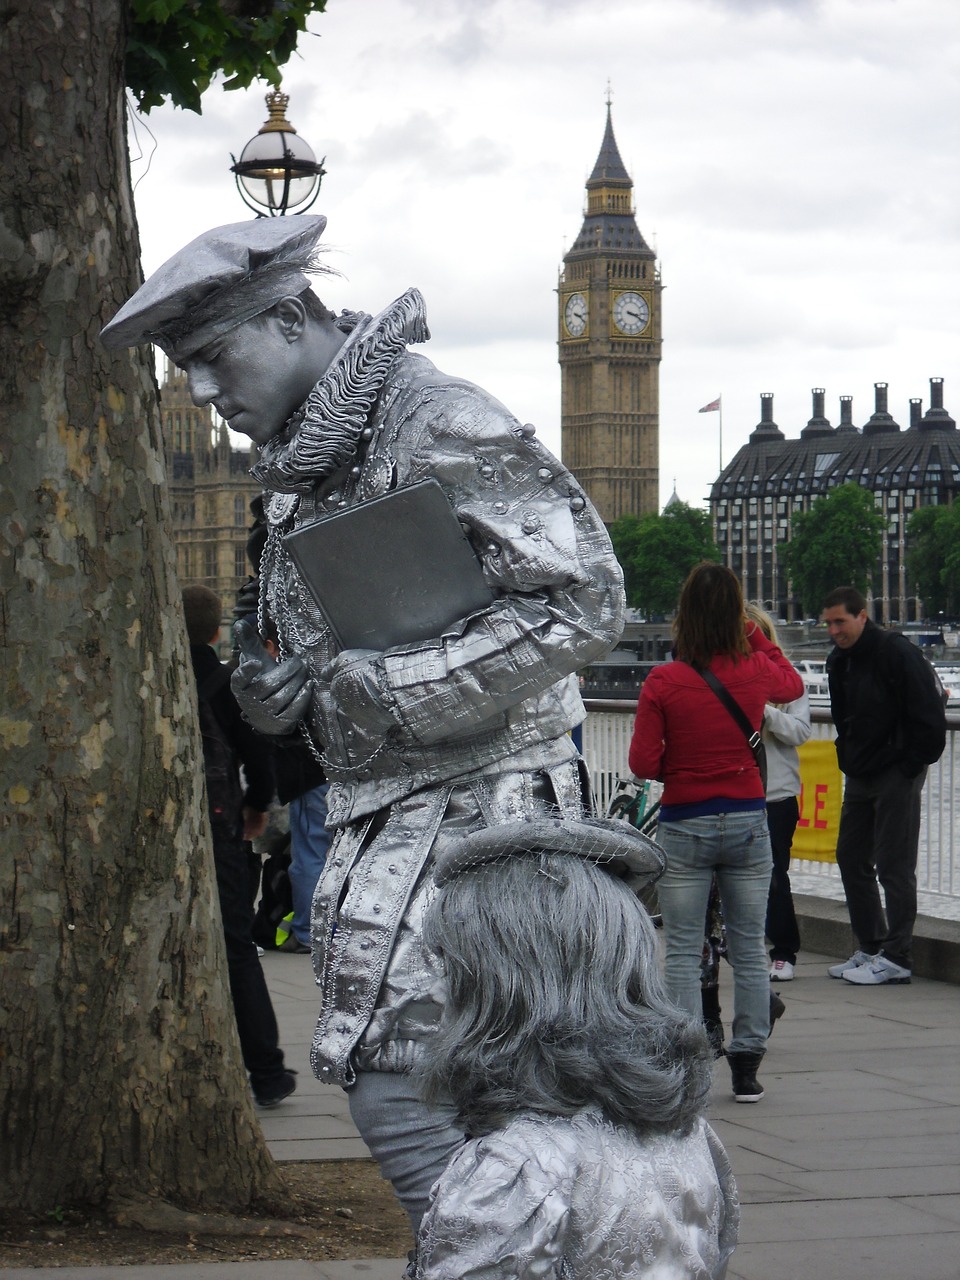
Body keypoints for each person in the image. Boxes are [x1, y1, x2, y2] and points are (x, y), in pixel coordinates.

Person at [102, 216, 624, 1233]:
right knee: (437, 1100)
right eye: (185, 371)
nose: (203, 393)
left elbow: (585, 597)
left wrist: (389, 684)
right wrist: (272, 690)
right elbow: (294, 652)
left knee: (415, 1094)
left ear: (293, 315)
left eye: (212, 357)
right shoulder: (303, 472)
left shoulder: (437, 419)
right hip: (383, 820)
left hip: (488, 825)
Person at [415, 817, 739, 1279]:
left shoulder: (514, 1169)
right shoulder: (687, 1134)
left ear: (509, 986)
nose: (434, 991)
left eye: (450, 966)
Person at [628, 563, 803, 1103]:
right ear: (735, 615)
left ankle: (688, 1064)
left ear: (682, 617)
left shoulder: (663, 681)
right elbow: (793, 683)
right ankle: (747, 1066)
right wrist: (750, 629)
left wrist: (681, 764)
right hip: (749, 820)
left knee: (682, 950)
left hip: (687, 823)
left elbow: (642, 762)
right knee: (750, 948)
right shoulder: (754, 671)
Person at [180, 586, 295, 1108]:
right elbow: (259, 753)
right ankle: (267, 1072)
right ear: (214, 631)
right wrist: (256, 805)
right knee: (233, 943)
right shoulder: (225, 681)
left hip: (162, 823)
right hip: (219, 822)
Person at [821, 587, 946, 985]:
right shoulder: (838, 661)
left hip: (897, 770)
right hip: (861, 771)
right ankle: (871, 946)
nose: (834, 630)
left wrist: (910, 764)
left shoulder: (897, 652)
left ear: (862, 616)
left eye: (840, 621)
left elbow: (929, 712)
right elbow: (844, 718)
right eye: (829, 623)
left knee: (894, 864)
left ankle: (897, 957)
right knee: (850, 856)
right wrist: (848, 756)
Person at [745, 604, 812, 982]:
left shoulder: (791, 681)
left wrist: (767, 712)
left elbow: (801, 732)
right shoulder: (732, 678)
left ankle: (784, 951)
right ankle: (750, 947)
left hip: (778, 795)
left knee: (773, 875)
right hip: (739, 791)